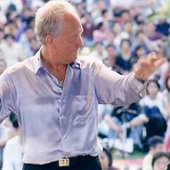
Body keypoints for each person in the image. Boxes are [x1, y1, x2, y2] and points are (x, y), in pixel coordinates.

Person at [0, 1, 165, 170]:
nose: (81, 43)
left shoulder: (91, 70)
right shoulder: (16, 77)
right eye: (73, 37)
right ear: (51, 40)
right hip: (40, 166)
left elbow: (122, 91)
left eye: (80, 34)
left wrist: (139, 76)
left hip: (86, 165)